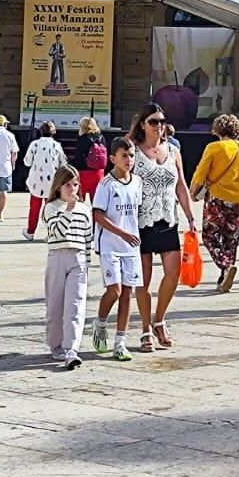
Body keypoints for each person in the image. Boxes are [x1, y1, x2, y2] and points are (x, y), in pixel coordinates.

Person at [127, 103, 196, 351]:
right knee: (143, 279)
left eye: (162, 121)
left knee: (173, 272)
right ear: (143, 125)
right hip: (140, 220)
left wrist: (190, 217)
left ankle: (159, 319)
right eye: (153, 122)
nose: (159, 126)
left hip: (167, 218)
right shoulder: (133, 151)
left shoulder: (173, 150)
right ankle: (145, 328)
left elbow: (181, 186)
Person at [91, 138, 141, 362]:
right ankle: (100, 322)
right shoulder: (106, 184)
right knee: (115, 291)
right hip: (110, 244)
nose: (129, 160)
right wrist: (122, 233)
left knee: (128, 293)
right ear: (113, 158)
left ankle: (120, 342)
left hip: (131, 246)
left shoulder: (137, 182)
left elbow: (136, 212)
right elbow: (98, 215)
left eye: (131, 155)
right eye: (124, 155)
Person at [190, 113, 239, 294]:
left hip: (217, 197)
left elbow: (201, 172)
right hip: (238, 198)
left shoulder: (213, 147)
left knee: (210, 236)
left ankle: (225, 264)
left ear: (218, 129)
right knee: (231, 239)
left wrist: (193, 191)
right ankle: (224, 275)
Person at [42, 163, 91, 369]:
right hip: (57, 256)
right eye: (68, 185)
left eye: (75, 184)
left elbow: (88, 237)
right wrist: (68, 210)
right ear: (58, 187)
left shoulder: (84, 209)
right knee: (55, 306)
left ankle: (72, 348)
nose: (72, 189)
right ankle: (56, 344)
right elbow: (57, 231)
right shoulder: (51, 208)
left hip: (77, 258)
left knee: (75, 305)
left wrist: (87, 262)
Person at [23, 122, 67, 241]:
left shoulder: (34, 144)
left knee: (34, 208)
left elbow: (27, 162)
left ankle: (30, 232)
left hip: (36, 181)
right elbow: (63, 163)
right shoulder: (57, 145)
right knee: (52, 208)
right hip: (52, 181)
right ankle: (51, 233)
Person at [75, 115, 107, 200]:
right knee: (97, 201)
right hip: (99, 172)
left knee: (80, 201)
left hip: (84, 173)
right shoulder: (101, 138)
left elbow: (78, 157)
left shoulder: (82, 139)